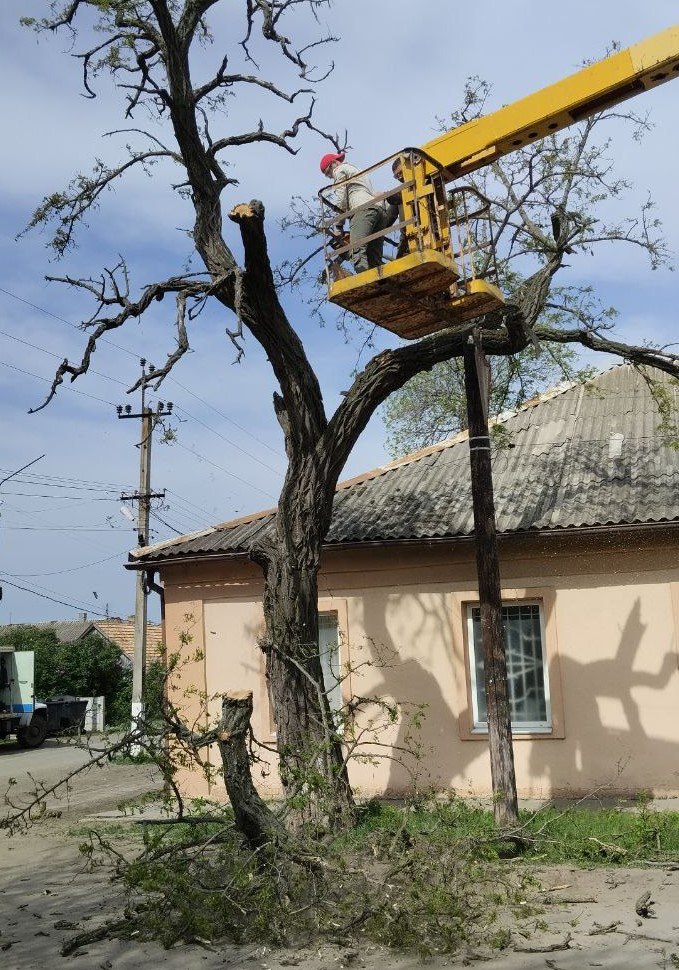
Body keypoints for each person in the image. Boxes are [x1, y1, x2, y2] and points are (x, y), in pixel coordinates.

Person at [320, 151, 394, 274]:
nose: (330, 176)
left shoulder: (339, 170)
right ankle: (381, 281)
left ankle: (367, 282)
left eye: (328, 172)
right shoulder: (357, 171)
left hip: (363, 210)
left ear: (333, 163)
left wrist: (338, 225)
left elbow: (341, 199)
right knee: (373, 257)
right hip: (378, 212)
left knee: (357, 251)